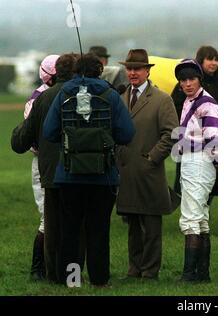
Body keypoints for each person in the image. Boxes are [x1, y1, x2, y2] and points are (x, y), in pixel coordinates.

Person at [43, 53, 135, 287]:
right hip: (102, 176)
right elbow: (127, 133)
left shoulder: (64, 94)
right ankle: (99, 280)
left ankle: (71, 279)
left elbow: (49, 132)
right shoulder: (111, 95)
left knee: (70, 229)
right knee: (98, 229)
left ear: (75, 71)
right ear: (100, 71)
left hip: (69, 174)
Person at [11, 54, 77, 283]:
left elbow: (24, 137)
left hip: (45, 163)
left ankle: (50, 271)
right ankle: (40, 268)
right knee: (51, 220)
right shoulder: (42, 97)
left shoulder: (39, 97)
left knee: (52, 218)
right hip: (55, 164)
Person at [115, 49, 179, 281]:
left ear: (147, 70)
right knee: (132, 224)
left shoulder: (162, 99)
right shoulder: (121, 98)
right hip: (126, 171)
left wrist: (152, 158)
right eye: (129, 68)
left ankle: (150, 271)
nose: (132, 73)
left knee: (151, 226)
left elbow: (171, 133)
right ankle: (134, 269)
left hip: (150, 172)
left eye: (137, 69)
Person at [175, 59, 218, 282]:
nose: (187, 84)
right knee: (201, 219)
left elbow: (213, 137)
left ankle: (189, 275)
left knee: (191, 219)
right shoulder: (190, 100)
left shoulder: (207, 104)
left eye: (191, 79)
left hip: (198, 161)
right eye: (183, 80)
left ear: (199, 80)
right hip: (193, 159)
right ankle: (202, 274)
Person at [171, 46, 218, 196]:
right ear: (200, 61)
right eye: (209, 59)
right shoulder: (185, 87)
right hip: (192, 147)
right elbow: (174, 112)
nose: (213, 63)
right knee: (194, 196)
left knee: (208, 191)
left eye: (216, 59)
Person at [22, 54, 59, 280]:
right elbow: (31, 142)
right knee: (48, 217)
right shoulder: (36, 101)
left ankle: (54, 267)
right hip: (44, 163)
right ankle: (38, 269)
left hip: (56, 162)